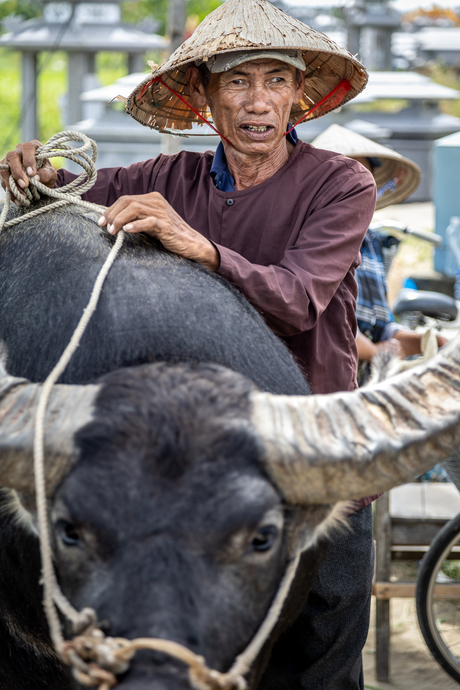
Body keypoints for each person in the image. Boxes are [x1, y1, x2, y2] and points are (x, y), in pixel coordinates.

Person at [1, 1, 377, 687]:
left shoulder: (341, 184)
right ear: (205, 98)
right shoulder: (170, 180)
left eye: (274, 81)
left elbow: (297, 300)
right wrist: (32, 168)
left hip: (306, 452)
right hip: (186, 477)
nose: (257, 101)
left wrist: (200, 248)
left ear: (299, 96)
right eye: (236, 82)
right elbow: (67, 191)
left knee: (322, 651)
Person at [311, 124, 447, 378]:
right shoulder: (310, 240)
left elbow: (377, 321)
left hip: (364, 373)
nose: (352, 191)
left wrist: (417, 341)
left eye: (360, 182)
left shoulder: (370, 241)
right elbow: (320, 323)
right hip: (327, 375)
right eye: (341, 181)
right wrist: (375, 351)